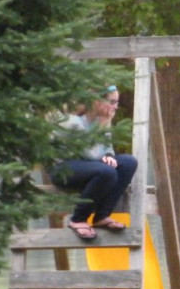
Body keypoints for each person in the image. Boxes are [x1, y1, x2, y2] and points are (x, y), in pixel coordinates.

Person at [50, 85, 138, 240]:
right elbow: (92, 153)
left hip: (89, 167)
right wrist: (103, 124)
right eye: (112, 102)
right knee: (107, 171)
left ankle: (102, 216)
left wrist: (109, 155)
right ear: (96, 102)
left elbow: (106, 147)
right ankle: (78, 219)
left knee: (128, 163)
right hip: (63, 169)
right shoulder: (73, 122)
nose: (115, 106)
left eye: (117, 102)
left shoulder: (100, 119)